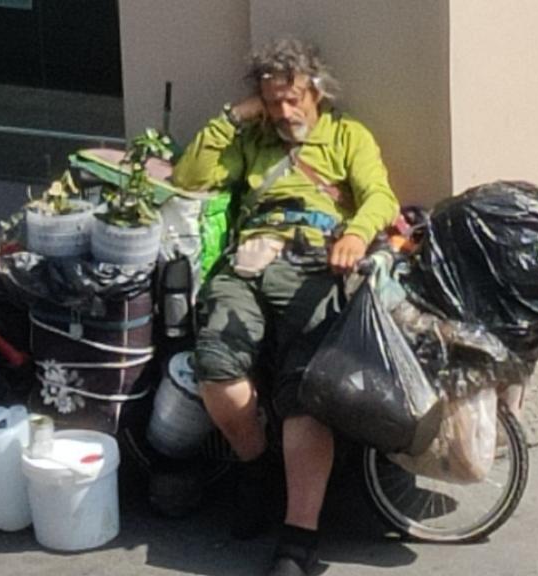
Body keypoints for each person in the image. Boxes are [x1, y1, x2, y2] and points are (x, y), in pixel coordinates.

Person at [171, 37, 400, 576]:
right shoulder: (252, 138)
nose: (284, 111)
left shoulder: (347, 135)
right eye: (273, 101)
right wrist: (235, 116)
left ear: (316, 90)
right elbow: (189, 178)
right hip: (249, 261)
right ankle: (256, 469)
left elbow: (381, 197)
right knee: (216, 367)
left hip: (315, 263)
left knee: (307, 391)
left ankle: (299, 539)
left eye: (293, 98)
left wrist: (356, 234)